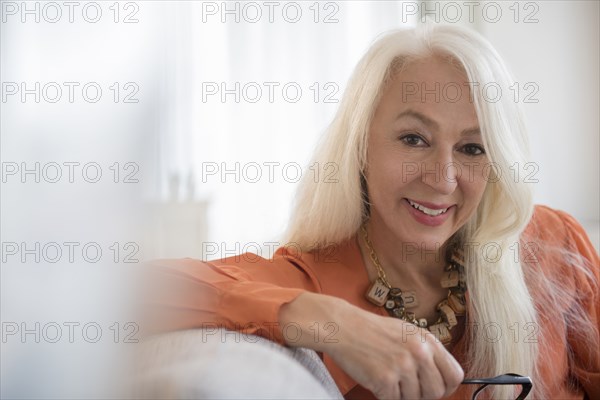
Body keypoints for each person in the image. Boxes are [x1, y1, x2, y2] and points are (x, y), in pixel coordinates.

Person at [143, 23, 599, 399]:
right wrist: (334, 323)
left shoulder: (553, 245)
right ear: (360, 146)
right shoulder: (312, 281)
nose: (443, 178)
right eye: (413, 139)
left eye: (472, 148)